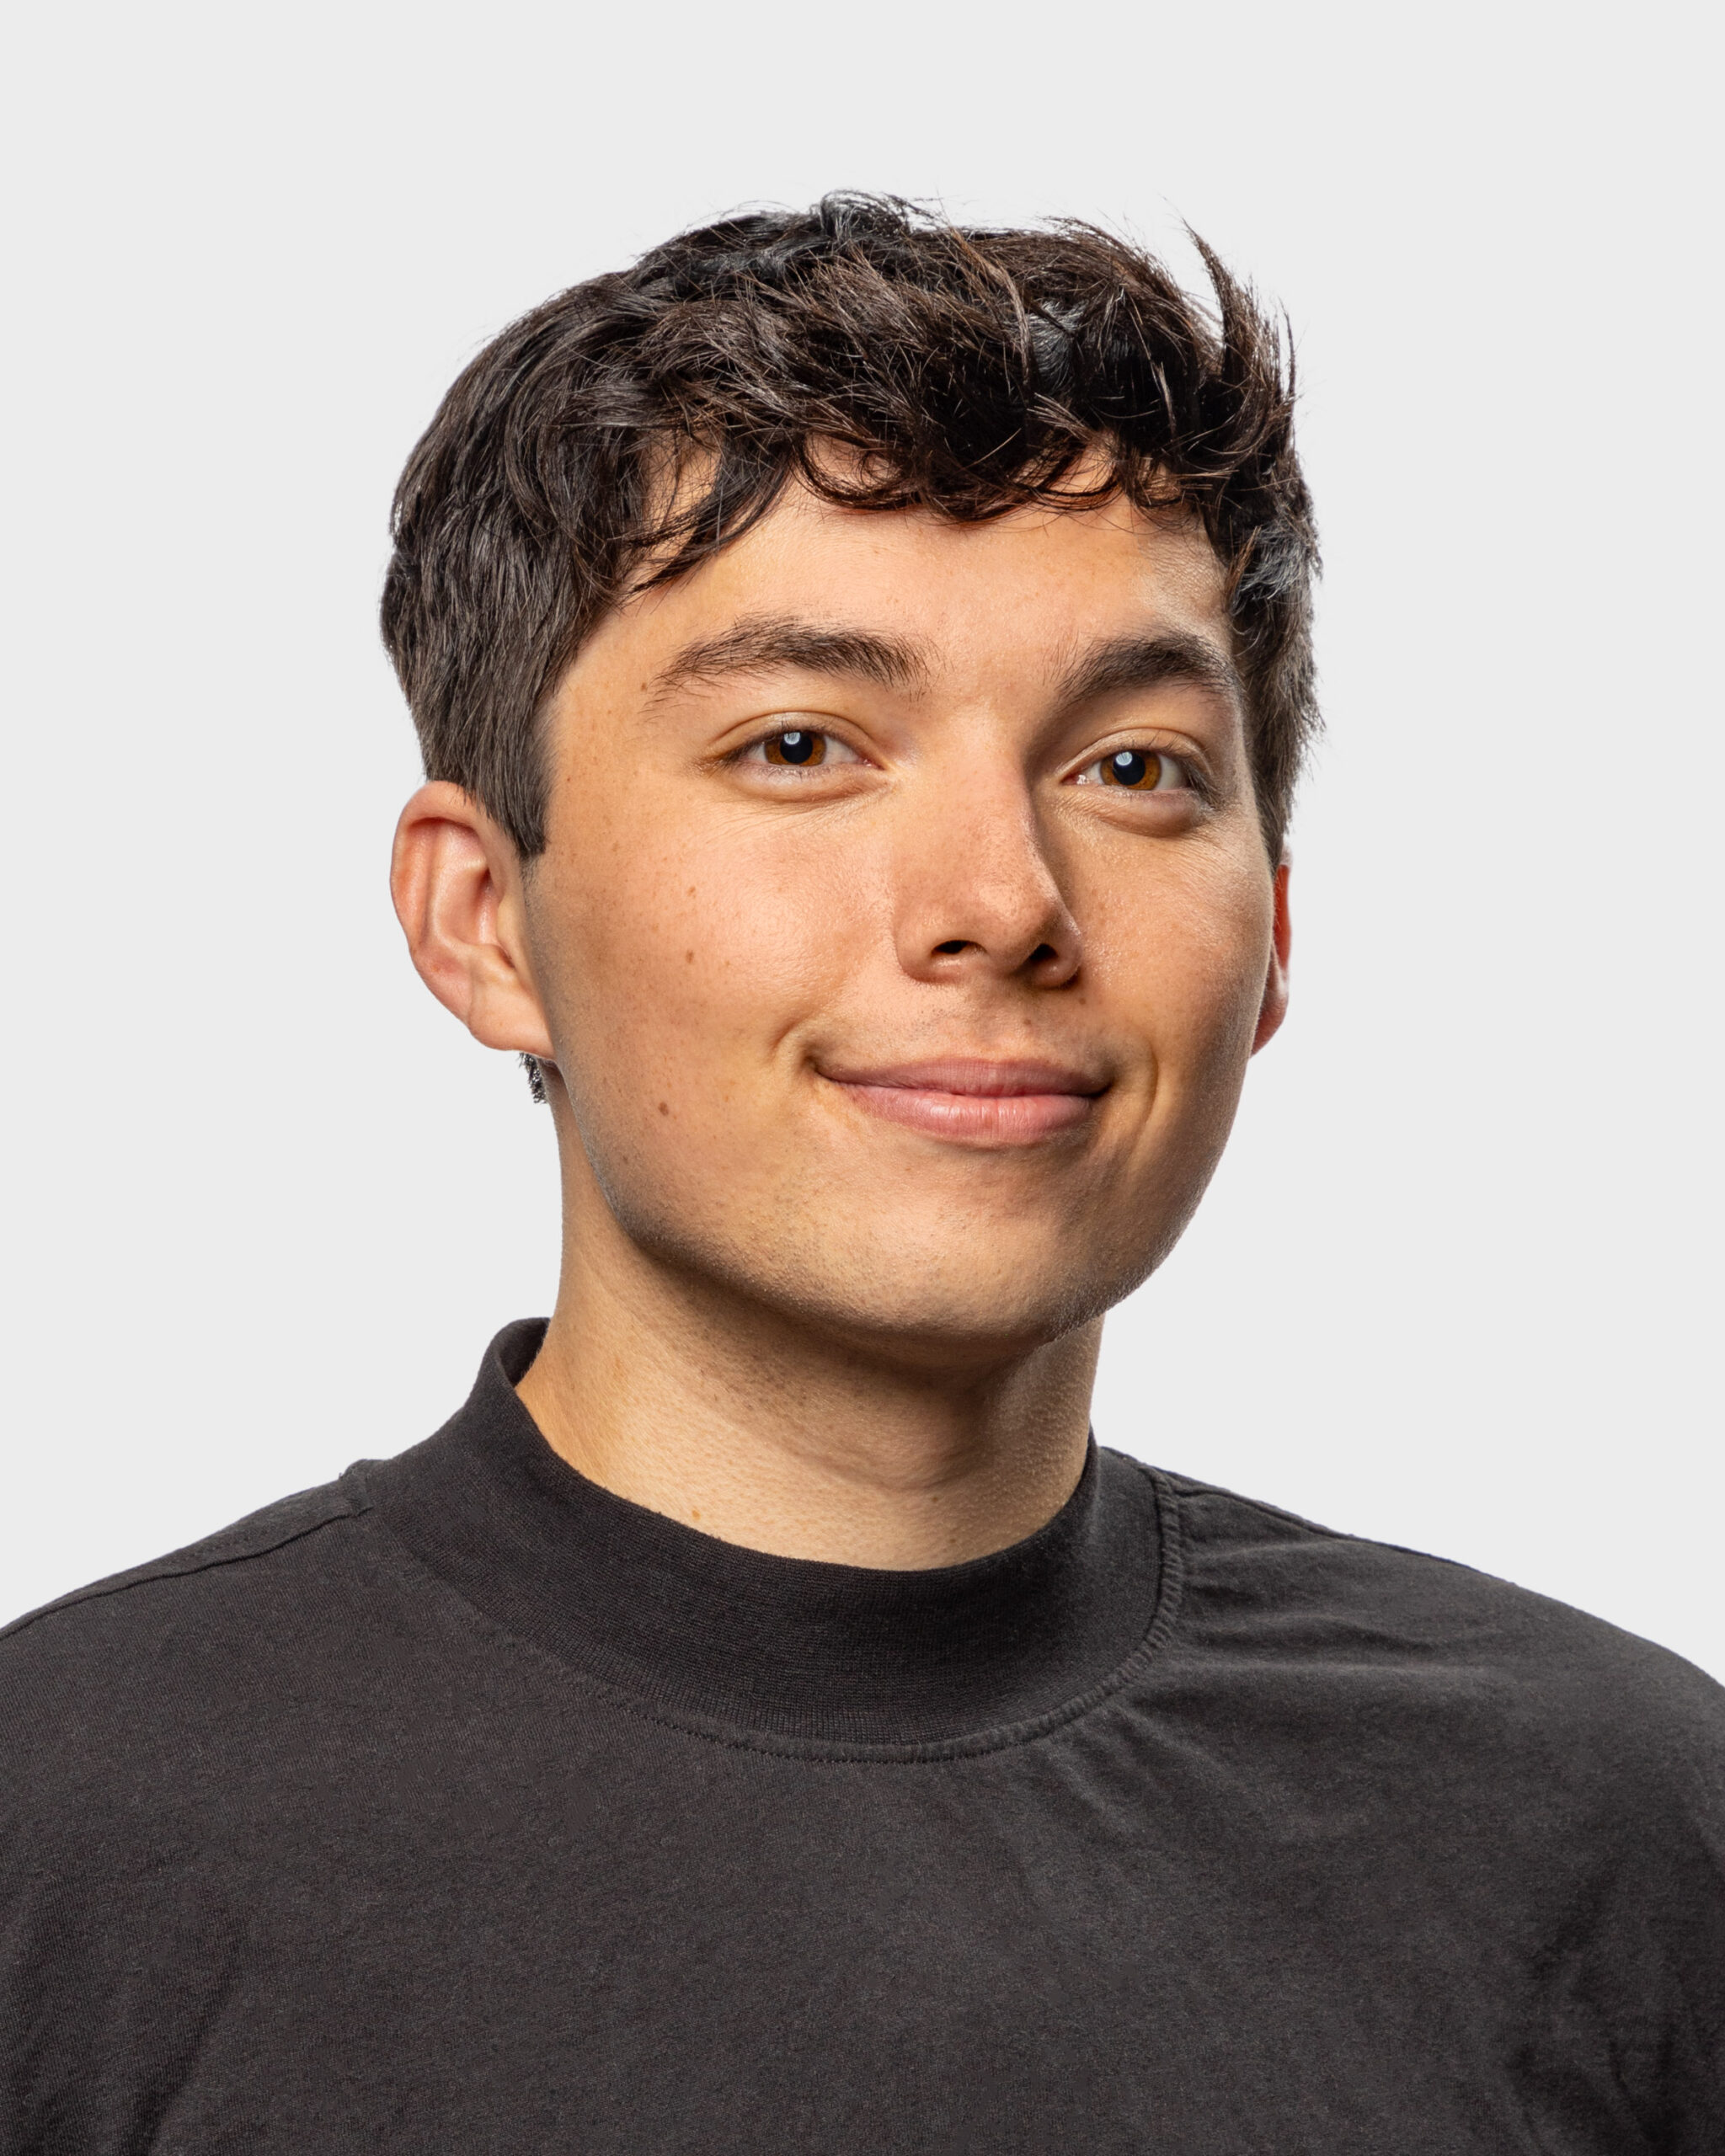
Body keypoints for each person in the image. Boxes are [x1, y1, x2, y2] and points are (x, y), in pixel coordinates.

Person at [3, 193, 1719, 2154]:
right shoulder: (65, 1848)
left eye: (1132, 768)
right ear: (482, 919)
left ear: (1270, 937)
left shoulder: (1616, 1840)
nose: (1001, 901)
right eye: (803, 745)